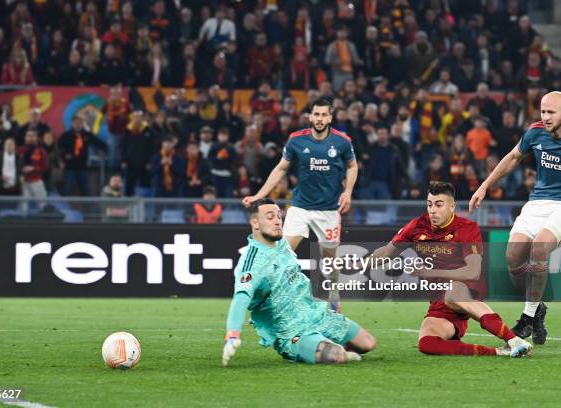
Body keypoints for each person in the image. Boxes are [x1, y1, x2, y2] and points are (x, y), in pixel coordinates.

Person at [369, 182, 533, 357]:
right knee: (427, 344)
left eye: (439, 205)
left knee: (453, 295)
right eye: (429, 204)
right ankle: (500, 352)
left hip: (466, 285)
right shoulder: (417, 226)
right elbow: (386, 252)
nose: (432, 210)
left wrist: (429, 273)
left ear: (452, 206)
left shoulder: (467, 228)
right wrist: (356, 264)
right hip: (439, 300)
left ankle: (513, 340)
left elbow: (472, 272)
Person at [222, 198, 376, 366]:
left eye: (279, 216)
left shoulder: (281, 244)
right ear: (255, 223)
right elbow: (241, 298)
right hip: (292, 330)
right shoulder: (252, 263)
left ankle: (329, 343)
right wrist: (233, 335)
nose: (277, 221)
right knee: (336, 355)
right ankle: (310, 347)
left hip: (317, 315)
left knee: (368, 343)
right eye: (270, 217)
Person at [243, 98, 358, 311]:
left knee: (329, 259)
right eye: (316, 114)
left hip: (329, 211)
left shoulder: (342, 141)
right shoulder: (296, 140)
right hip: (300, 207)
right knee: (281, 253)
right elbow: (280, 169)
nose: (320, 119)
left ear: (330, 117)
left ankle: (334, 295)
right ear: (310, 116)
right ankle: (268, 301)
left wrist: (348, 191)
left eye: (324, 115)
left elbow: (352, 166)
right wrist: (259, 195)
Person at [469, 91, 561, 345]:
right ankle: (537, 307)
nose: (545, 117)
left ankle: (527, 318)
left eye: (551, 112)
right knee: (512, 258)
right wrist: (484, 186)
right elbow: (512, 158)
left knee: (539, 250)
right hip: (538, 202)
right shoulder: (535, 132)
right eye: (543, 111)